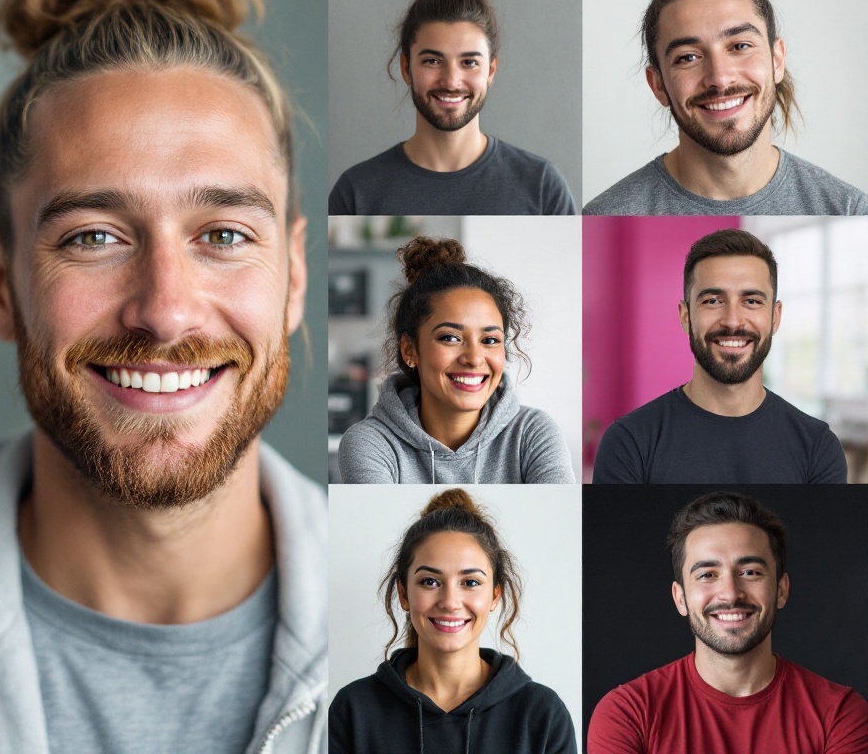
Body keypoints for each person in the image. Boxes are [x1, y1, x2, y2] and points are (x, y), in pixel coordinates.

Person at [0, 0, 324, 751]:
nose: (166, 311)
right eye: (94, 237)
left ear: (293, 279)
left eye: (223, 235)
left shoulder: (401, 633)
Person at [584, 0, 867, 215]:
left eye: (740, 45)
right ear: (658, 85)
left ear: (777, 60)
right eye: (688, 57)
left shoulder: (849, 210)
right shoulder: (603, 216)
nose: (719, 78)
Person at [588, 491, 868, 753]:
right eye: (707, 575)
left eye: (749, 571)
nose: (731, 593)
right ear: (680, 598)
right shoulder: (627, 714)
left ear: (781, 590)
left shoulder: (840, 714)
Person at [329, 489, 576, 753]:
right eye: (430, 582)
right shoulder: (352, 709)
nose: (450, 601)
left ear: (495, 595)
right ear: (403, 594)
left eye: (470, 582)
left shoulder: (543, 714)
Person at [328, 0, 576, 215]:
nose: (451, 81)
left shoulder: (542, 187)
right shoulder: (355, 192)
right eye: (433, 61)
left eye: (469, 62)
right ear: (406, 68)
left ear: (491, 70)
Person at [593, 228, 846, 483]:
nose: (732, 321)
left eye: (752, 301)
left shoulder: (818, 448)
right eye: (713, 301)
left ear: (775, 316)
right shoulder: (629, 443)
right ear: (686, 316)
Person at [337, 236, 575, 484]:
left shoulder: (533, 433)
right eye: (450, 338)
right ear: (410, 350)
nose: (473, 358)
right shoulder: (371, 442)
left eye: (490, 340)